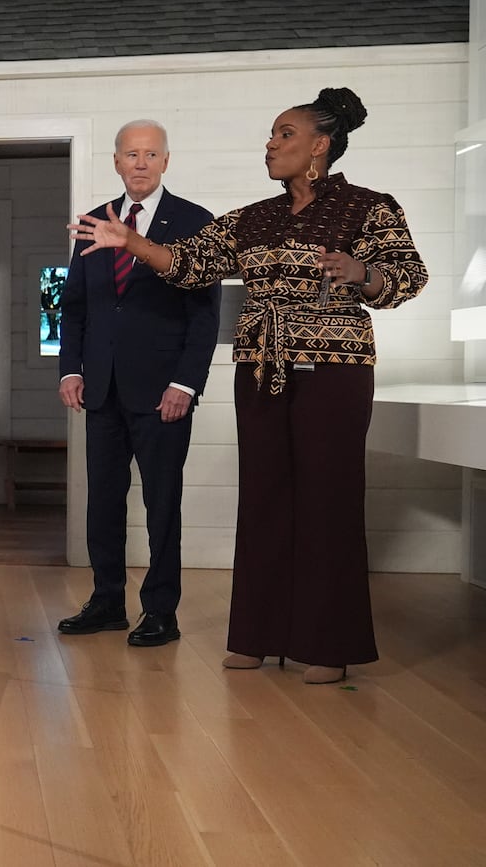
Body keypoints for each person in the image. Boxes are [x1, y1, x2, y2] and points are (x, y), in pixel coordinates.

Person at [68, 87, 427, 685]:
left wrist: (363, 272)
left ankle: (327, 645)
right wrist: (131, 242)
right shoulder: (252, 218)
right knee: (262, 502)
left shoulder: (369, 207)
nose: (271, 143)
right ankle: (259, 637)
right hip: (260, 373)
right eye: (271, 134)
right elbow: (187, 263)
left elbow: (409, 277)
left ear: (320, 144)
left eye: (284, 134)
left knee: (326, 504)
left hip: (333, 374)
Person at [56, 121, 220, 648]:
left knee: (161, 503)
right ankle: (106, 601)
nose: (142, 163)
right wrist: (72, 369)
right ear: (117, 162)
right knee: (102, 501)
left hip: (162, 393)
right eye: (132, 154)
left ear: (166, 161)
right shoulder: (92, 223)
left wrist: (186, 384)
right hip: (100, 389)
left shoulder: (196, 223)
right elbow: (75, 307)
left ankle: (160, 612)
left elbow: (205, 316)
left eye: (152, 154)